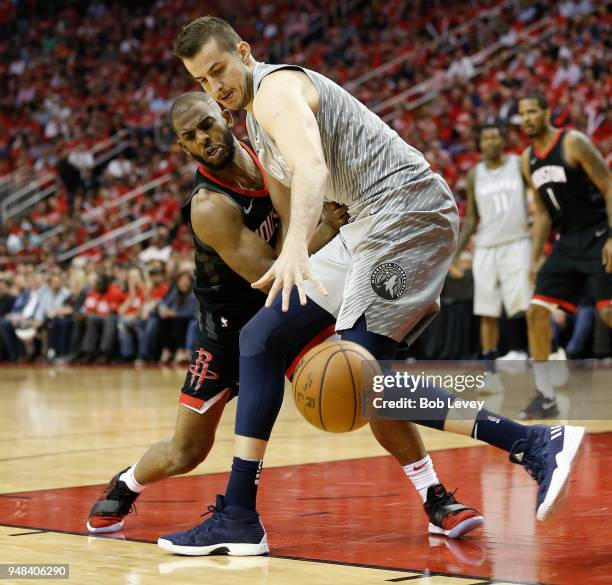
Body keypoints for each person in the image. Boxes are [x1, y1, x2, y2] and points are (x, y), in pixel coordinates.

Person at [159, 18, 584, 556]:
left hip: (407, 213)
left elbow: (312, 167)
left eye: (218, 70)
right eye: (202, 80)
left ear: (243, 52)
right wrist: (305, 239)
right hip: (363, 225)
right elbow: (303, 198)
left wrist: (293, 249)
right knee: (260, 338)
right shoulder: (254, 127)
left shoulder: (275, 91)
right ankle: (239, 515)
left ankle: (532, 442)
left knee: (364, 378)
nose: (215, 87)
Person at [87, 92, 482, 538]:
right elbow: (269, 275)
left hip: (288, 310)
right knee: (187, 452)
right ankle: (127, 482)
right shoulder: (209, 205)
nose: (204, 138)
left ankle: (434, 496)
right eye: (191, 136)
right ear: (184, 148)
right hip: (228, 330)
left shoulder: (265, 155)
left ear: (225, 117)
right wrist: (329, 228)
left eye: (207, 124)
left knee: (364, 381)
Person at [518, 93, 612, 419]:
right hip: (567, 242)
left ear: (546, 112)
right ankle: (545, 396)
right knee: (535, 313)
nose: (527, 118)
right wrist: (534, 259)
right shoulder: (526, 159)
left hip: (600, 233)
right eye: (522, 114)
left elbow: (608, 187)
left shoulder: (573, 142)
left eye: (532, 111)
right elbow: (543, 214)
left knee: (608, 313)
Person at [453, 122, 531, 391]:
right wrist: (456, 253)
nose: (490, 143)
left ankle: (549, 358)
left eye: (495, 138)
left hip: (517, 242)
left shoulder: (518, 164)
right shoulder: (475, 174)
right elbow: (473, 217)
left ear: (502, 141)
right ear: (480, 143)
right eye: (485, 138)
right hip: (486, 246)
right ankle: (491, 373)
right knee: (487, 311)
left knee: (526, 306)